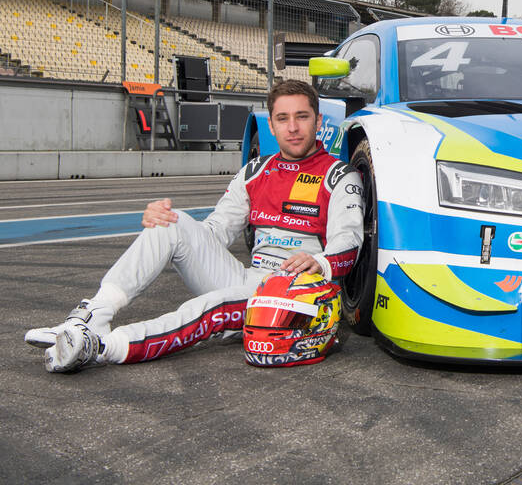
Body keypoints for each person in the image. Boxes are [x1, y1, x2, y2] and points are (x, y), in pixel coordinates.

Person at [25, 79, 363, 373]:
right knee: (170, 222)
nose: (293, 128)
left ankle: (101, 348)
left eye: (302, 117)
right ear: (271, 126)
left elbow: (349, 243)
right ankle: (92, 316)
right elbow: (214, 233)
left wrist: (319, 262)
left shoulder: (339, 175)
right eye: (283, 119)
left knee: (209, 306)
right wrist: (166, 222)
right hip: (249, 278)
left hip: (293, 295)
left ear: (318, 122)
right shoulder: (254, 172)